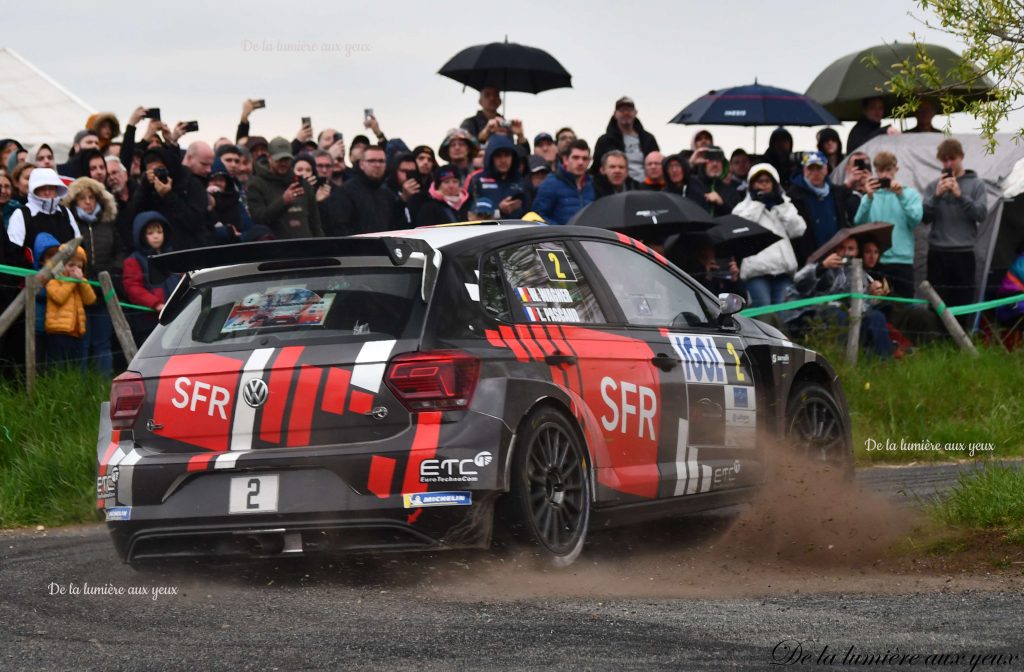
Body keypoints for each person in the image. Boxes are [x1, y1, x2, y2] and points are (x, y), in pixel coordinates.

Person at [784, 235, 893, 358]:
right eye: (842, 248)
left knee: (877, 316)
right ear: (835, 249)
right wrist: (821, 267)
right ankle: (836, 358)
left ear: (856, 251)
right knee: (838, 314)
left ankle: (884, 360)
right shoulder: (824, 264)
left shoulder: (861, 273)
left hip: (851, 317)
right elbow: (799, 284)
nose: (846, 252)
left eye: (850, 249)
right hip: (816, 315)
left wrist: (872, 295)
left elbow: (863, 304)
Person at [923, 138, 988, 318]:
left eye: (952, 159)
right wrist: (936, 196)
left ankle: (961, 336)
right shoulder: (933, 186)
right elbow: (924, 218)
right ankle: (935, 335)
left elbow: (981, 215)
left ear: (961, 157)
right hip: (938, 252)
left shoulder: (977, 184)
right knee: (936, 305)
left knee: (962, 303)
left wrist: (961, 196)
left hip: (963, 253)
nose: (949, 164)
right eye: (944, 160)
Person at [63, 177, 121, 374]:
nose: (87, 202)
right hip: (79, 290)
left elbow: (120, 252)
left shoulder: (108, 224)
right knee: (82, 344)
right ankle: (80, 388)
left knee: (103, 343)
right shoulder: (70, 225)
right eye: (82, 198)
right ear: (74, 201)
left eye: (91, 197)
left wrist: (110, 272)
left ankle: (103, 386)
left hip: (104, 292)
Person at [733, 163, 807, 307]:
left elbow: (798, 230)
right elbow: (740, 229)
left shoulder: (784, 205)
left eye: (767, 181)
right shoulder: (742, 208)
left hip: (783, 271)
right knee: (763, 314)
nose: (764, 185)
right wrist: (758, 203)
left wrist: (780, 205)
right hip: (757, 273)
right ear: (751, 185)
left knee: (783, 314)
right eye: (759, 181)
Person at [853, 151, 923, 298]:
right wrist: (868, 198)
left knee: (905, 306)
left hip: (902, 262)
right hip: (876, 262)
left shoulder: (910, 194)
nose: (885, 175)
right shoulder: (869, 196)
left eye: (888, 170)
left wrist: (901, 196)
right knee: (878, 306)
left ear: (896, 169)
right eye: (880, 170)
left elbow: (916, 219)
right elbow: (858, 224)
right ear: (876, 171)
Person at [247, 137, 323, 239]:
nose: (283, 163)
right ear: (269, 157)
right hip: (277, 246)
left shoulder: (303, 184)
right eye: (279, 160)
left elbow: (315, 223)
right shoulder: (256, 185)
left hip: (306, 244)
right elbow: (259, 220)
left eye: (286, 159)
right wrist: (283, 201)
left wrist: (320, 244)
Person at [122, 212, 180, 343]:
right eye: (150, 233)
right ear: (141, 236)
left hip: (176, 315)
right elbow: (133, 288)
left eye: (159, 232)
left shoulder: (172, 255)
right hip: (150, 321)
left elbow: (182, 279)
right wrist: (156, 304)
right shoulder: (134, 260)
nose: (156, 236)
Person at [787, 151, 851, 267]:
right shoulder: (793, 196)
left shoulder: (836, 193)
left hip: (836, 256)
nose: (815, 173)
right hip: (809, 260)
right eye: (811, 169)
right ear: (804, 170)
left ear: (826, 169)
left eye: (819, 168)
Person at [39, 239, 96, 366]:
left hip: (76, 332)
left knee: (73, 366)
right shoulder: (53, 280)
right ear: (60, 265)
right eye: (71, 265)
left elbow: (90, 300)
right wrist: (71, 281)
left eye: (79, 267)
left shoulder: (80, 282)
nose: (75, 270)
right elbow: (59, 297)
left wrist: (82, 282)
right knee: (57, 365)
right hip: (58, 331)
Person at [6, 168, 80, 265]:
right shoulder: (22, 214)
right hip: (32, 273)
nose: (47, 192)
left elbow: (78, 247)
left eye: (51, 188)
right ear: (33, 190)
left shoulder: (65, 212)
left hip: (67, 273)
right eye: (42, 188)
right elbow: (14, 252)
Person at [325, 145, 402, 235]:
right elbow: (340, 228)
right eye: (372, 161)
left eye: (381, 161)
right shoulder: (345, 192)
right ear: (362, 164)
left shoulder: (388, 195)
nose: (377, 165)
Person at [592, 97, 659, 183]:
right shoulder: (604, 141)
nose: (626, 113)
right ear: (615, 114)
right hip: (616, 186)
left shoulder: (648, 139)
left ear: (635, 112)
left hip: (647, 185)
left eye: (629, 110)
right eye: (622, 110)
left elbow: (658, 163)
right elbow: (596, 169)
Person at [532, 139, 595, 225]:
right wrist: (562, 230)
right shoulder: (550, 184)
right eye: (576, 157)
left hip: (587, 233)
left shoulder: (592, 185)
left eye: (585, 159)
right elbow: (538, 216)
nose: (580, 162)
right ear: (565, 159)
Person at [468, 136, 528, 218]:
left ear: (513, 157)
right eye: (498, 156)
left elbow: (529, 211)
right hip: (488, 226)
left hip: (517, 225)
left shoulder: (520, 181)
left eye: (507, 155)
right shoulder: (477, 180)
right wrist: (499, 211)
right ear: (490, 158)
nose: (503, 160)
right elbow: (471, 215)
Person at [685, 147, 741, 217]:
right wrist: (690, 163)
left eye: (718, 161)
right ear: (703, 164)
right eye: (710, 160)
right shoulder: (691, 183)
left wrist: (721, 203)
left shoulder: (732, 192)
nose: (715, 164)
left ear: (723, 164)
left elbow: (737, 217)